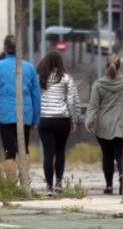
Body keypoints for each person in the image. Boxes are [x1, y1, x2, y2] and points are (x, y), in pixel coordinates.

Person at [0, 35, 41, 180]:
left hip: (6, 114)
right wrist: (36, 119)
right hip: (25, 113)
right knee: (24, 149)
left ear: (5, 49)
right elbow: (36, 95)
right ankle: (25, 181)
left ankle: (10, 184)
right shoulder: (29, 67)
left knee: (9, 151)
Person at [36, 50, 81, 195]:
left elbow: (35, 99)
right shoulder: (66, 78)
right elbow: (72, 100)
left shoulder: (40, 78)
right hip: (62, 120)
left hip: (45, 120)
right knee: (60, 152)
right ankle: (59, 183)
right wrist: (74, 120)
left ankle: (49, 187)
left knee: (48, 154)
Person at [85, 54, 123, 195]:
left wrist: (89, 120)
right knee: (120, 154)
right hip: (121, 124)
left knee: (107, 155)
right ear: (119, 67)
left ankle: (109, 186)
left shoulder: (98, 85)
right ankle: (122, 175)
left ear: (105, 66)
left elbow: (93, 106)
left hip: (104, 126)